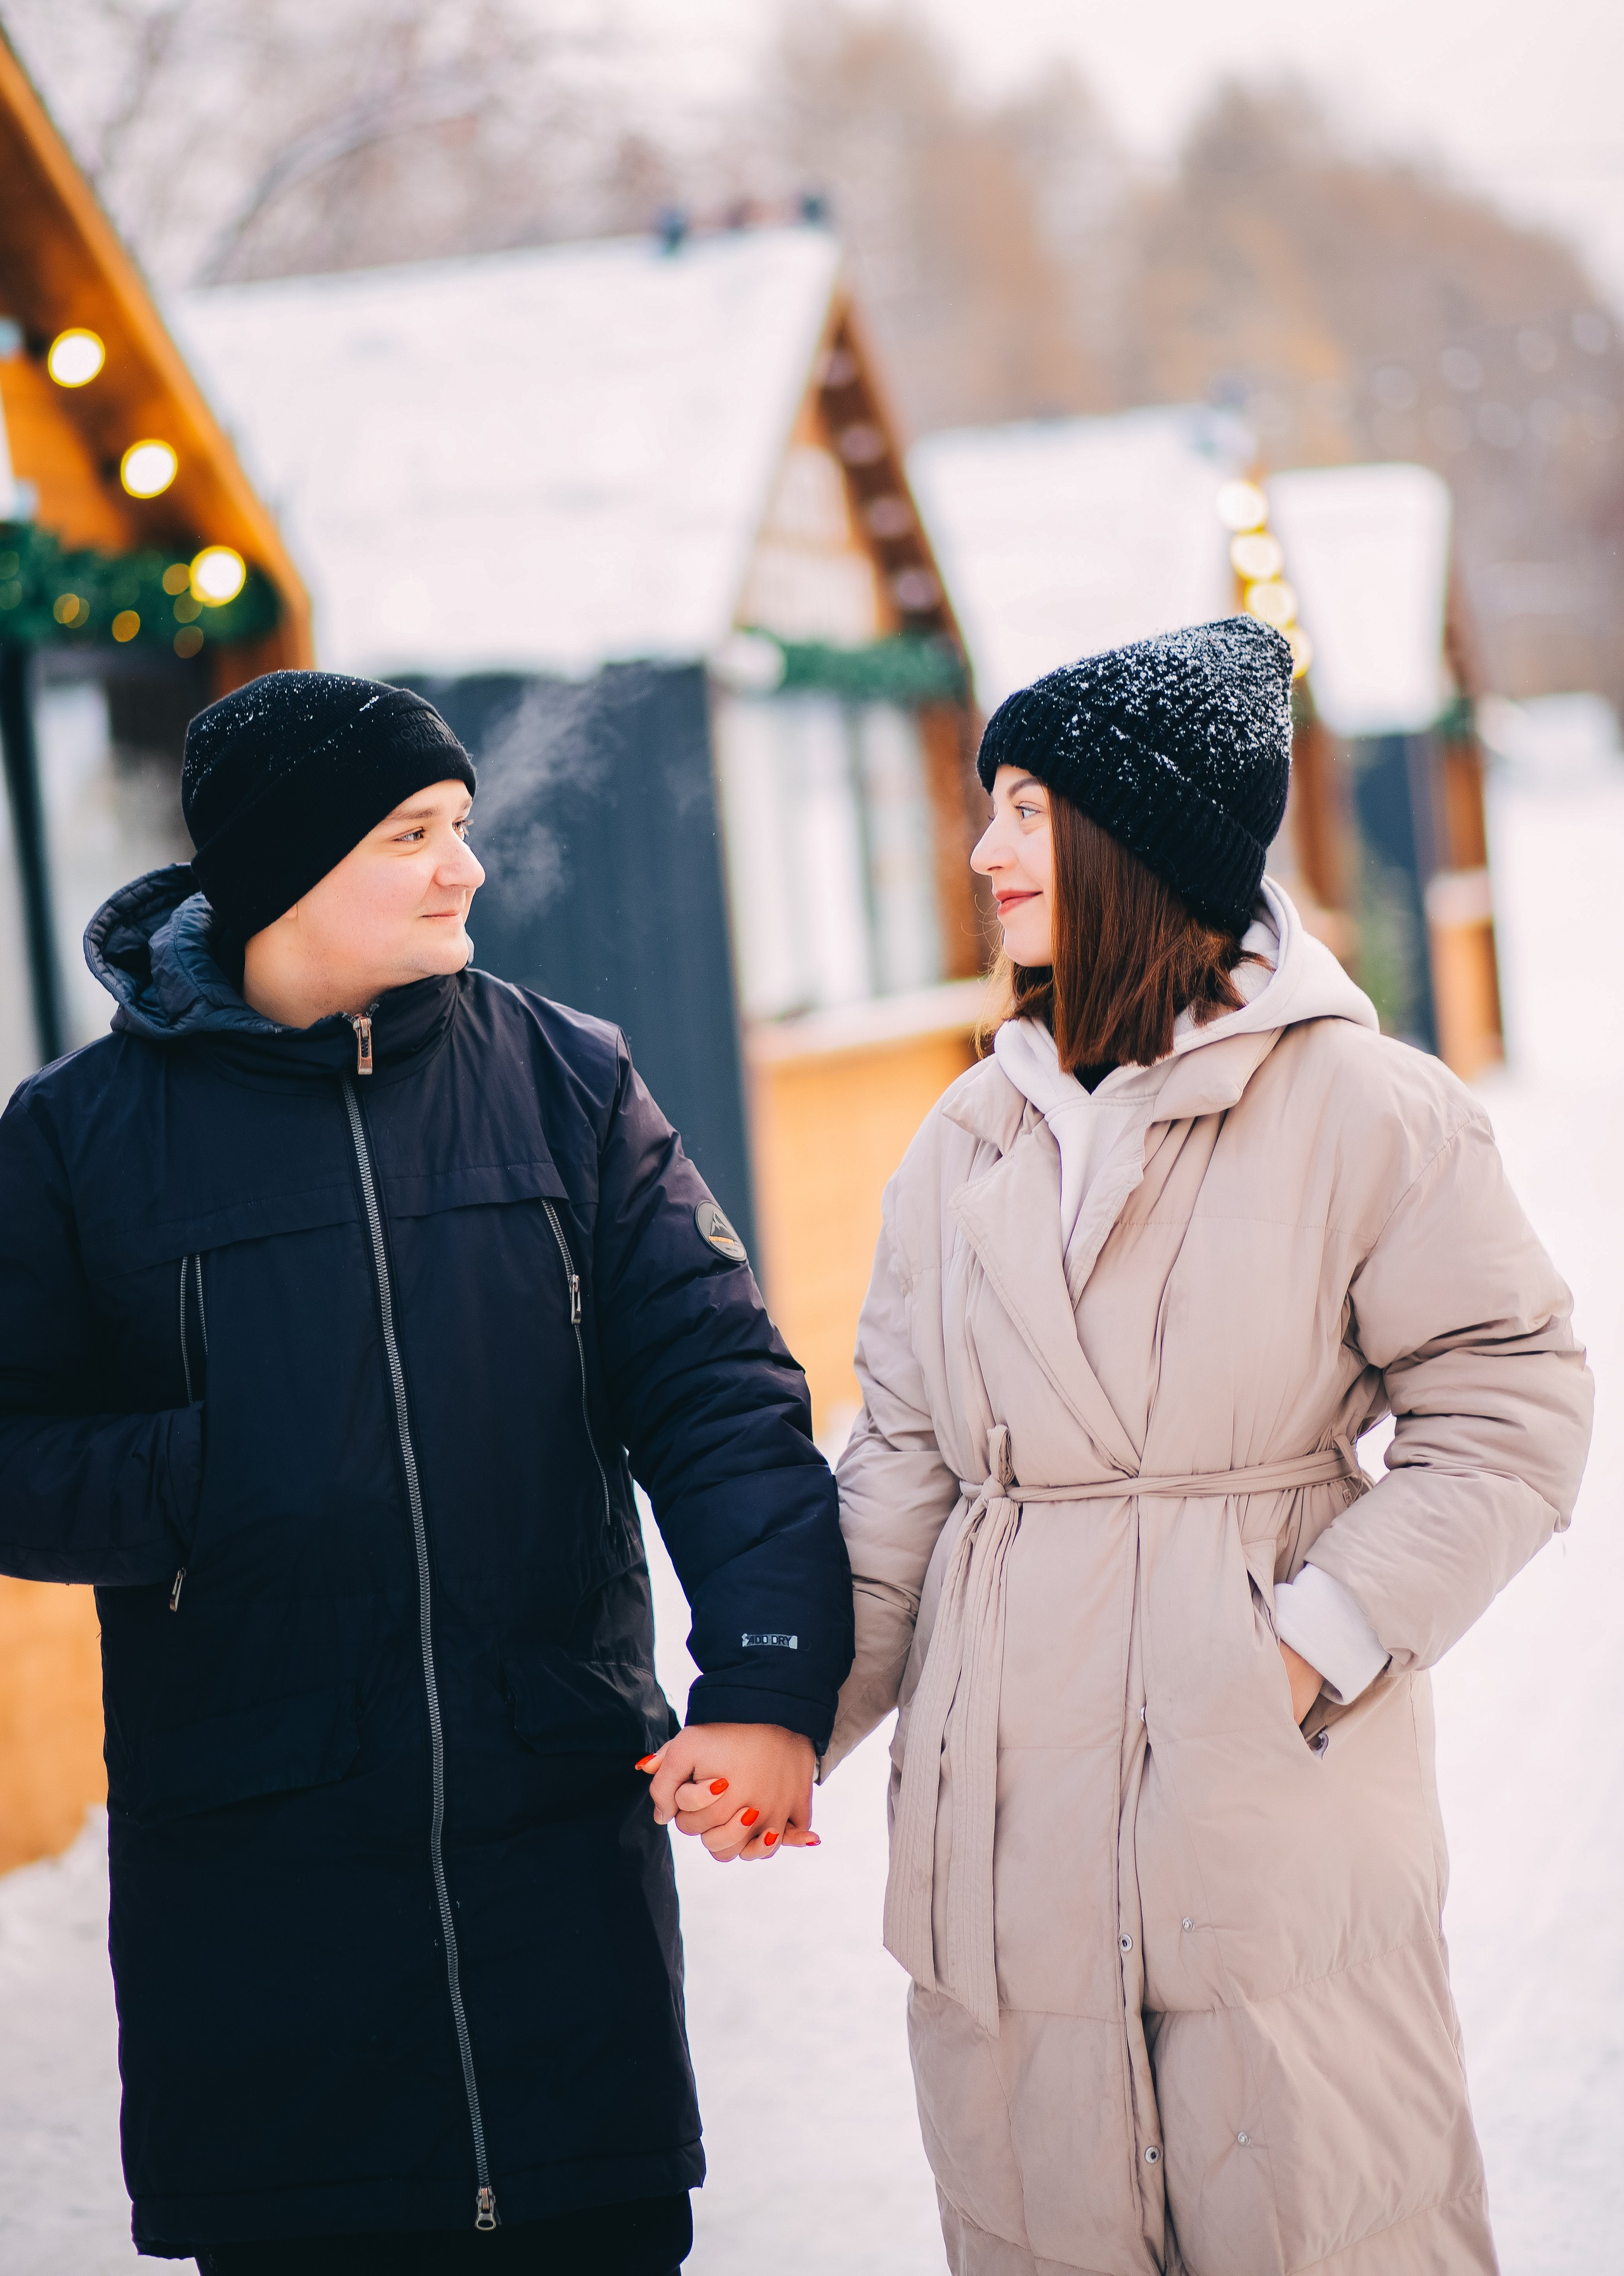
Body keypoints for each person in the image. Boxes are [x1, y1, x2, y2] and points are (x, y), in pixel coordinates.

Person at [0, 669, 853, 2272]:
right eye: (414, 833)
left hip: (554, 1879)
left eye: (461, 825)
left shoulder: (569, 1084)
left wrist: (768, 1679)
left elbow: (721, 1396)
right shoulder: (77, 1143)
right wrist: (210, 1474)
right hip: (266, 1901)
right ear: (285, 869)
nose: (465, 867)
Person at [816, 617, 1592, 2276]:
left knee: (1317, 2220)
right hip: (1005, 1853)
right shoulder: (966, 1137)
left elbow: (1513, 1401)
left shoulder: (1365, 1110)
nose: (981, 853)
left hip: (1261, 1815)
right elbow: (904, 1463)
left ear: (1128, 840)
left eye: (1023, 811)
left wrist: (1314, 1640)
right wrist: (786, 1711)